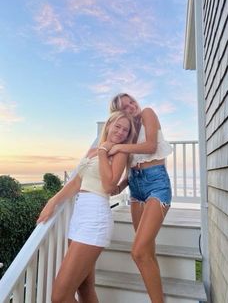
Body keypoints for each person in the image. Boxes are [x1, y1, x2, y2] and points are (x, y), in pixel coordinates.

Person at [37, 111, 136, 303]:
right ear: (108, 125)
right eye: (118, 126)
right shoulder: (93, 151)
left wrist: (103, 151)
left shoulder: (119, 152)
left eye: (126, 130)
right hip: (79, 217)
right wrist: (52, 202)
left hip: (95, 217)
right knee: (84, 287)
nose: (121, 132)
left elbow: (108, 186)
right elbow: (76, 184)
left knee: (59, 296)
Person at [109, 93, 172, 303]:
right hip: (135, 187)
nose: (132, 107)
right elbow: (131, 167)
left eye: (131, 102)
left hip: (156, 183)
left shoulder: (147, 113)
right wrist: (120, 185)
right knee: (147, 251)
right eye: (125, 107)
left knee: (137, 251)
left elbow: (151, 146)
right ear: (119, 113)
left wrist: (118, 147)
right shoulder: (128, 132)